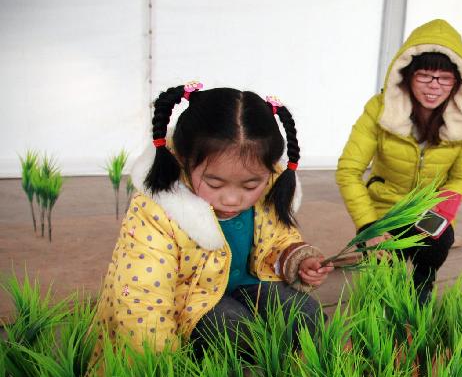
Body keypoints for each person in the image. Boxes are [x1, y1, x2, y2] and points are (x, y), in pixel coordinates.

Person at [96, 83, 333, 355]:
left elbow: (279, 236)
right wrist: (157, 362)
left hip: (249, 283)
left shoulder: (272, 185)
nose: (232, 199)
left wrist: (298, 259)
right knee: (236, 331)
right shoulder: (158, 206)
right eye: (215, 183)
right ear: (184, 160)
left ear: (270, 170)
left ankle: (289, 368)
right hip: (191, 298)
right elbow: (143, 292)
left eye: (249, 186)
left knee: (307, 314)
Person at [335, 19, 462, 301]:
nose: (434, 86)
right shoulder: (378, 110)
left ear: (457, 82)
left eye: (445, 78)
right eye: (425, 75)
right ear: (407, 74)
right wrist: (368, 227)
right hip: (384, 210)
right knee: (383, 284)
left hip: (428, 211)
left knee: (440, 243)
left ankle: (422, 286)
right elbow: (348, 171)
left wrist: (438, 212)